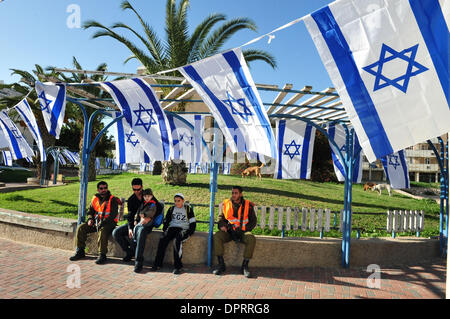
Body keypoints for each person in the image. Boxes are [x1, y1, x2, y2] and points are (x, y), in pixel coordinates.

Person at [69, 181, 120, 264]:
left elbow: (113, 215)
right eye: (101, 188)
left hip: (109, 223)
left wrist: (102, 223)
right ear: (98, 190)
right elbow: (90, 211)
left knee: (102, 231)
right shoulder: (95, 198)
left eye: (105, 188)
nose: (104, 190)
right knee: (81, 228)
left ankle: (102, 255)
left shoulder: (112, 199)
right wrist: (90, 219)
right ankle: (80, 251)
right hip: (96, 222)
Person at [212, 186, 257, 277]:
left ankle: (245, 266)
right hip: (229, 232)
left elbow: (253, 222)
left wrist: (243, 229)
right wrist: (222, 226)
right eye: (232, 193)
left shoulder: (248, 205)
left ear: (240, 194)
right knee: (217, 236)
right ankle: (221, 265)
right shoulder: (226, 204)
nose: (233, 195)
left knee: (251, 238)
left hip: (243, 232)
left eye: (236, 193)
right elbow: (221, 218)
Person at [151, 193, 196, 275]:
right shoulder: (172, 209)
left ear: (183, 201)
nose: (177, 203)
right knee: (163, 240)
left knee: (177, 241)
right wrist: (165, 230)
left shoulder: (188, 209)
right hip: (172, 228)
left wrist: (189, 232)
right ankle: (157, 264)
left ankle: (178, 266)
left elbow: (193, 223)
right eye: (175, 201)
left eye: (179, 201)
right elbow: (166, 221)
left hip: (183, 229)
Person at [112, 178, 144, 262]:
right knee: (116, 232)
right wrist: (130, 228)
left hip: (145, 223)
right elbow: (130, 216)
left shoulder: (147, 196)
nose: (136, 191)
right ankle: (129, 251)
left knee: (136, 234)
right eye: (134, 189)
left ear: (142, 187)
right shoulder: (131, 199)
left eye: (138, 189)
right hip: (134, 222)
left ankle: (133, 254)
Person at [132, 188, 163, 273]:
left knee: (141, 233)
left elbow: (152, 212)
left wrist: (145, 215)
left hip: (148, 224)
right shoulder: (143, 203)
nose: (146, 198)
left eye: (148, 196)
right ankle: (135, 256)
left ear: (152, 196)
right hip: (140, 223)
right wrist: (136, 219)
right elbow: (138, 212)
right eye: (145, 196)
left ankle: (138, 262)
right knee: (136, 233)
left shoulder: (153, 204)